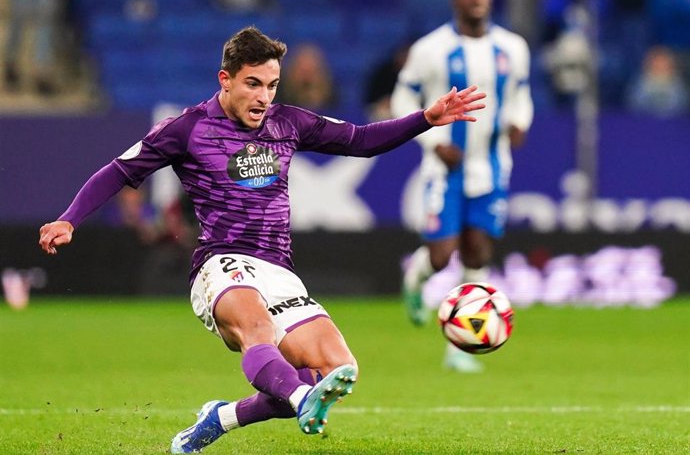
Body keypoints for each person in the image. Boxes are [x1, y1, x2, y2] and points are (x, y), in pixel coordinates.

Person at [38, 27, 485, 453]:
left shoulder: (288, 122)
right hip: (220, 263)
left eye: (271, 85)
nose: (263, 97)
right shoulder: (187, 128)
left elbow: (360, 141)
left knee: (337, 370)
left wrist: (426, 118)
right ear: (225, 79)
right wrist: (70, 219)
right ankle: (301, 400)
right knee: (260, 334)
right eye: (253, 84)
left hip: (278, 269)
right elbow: (120, 169)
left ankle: (222, 417)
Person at [391, 0, 533, 372]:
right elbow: (402, 96)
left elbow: (521, 93)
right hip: (445, 169)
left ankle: (459, 347)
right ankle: (416, 275)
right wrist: (434, 141)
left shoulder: (513, 47)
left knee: (477, 252)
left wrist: (520, 121)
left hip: (491, 166)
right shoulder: (430, 49)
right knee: (442, 255)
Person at [625, 46, 689, 117]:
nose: (660, 65)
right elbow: (634, 102)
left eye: (663, 62)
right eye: (657, 62)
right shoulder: (642, 81)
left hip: (671, 120)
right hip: (644, 120)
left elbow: (680, 103)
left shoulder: (676, 82)